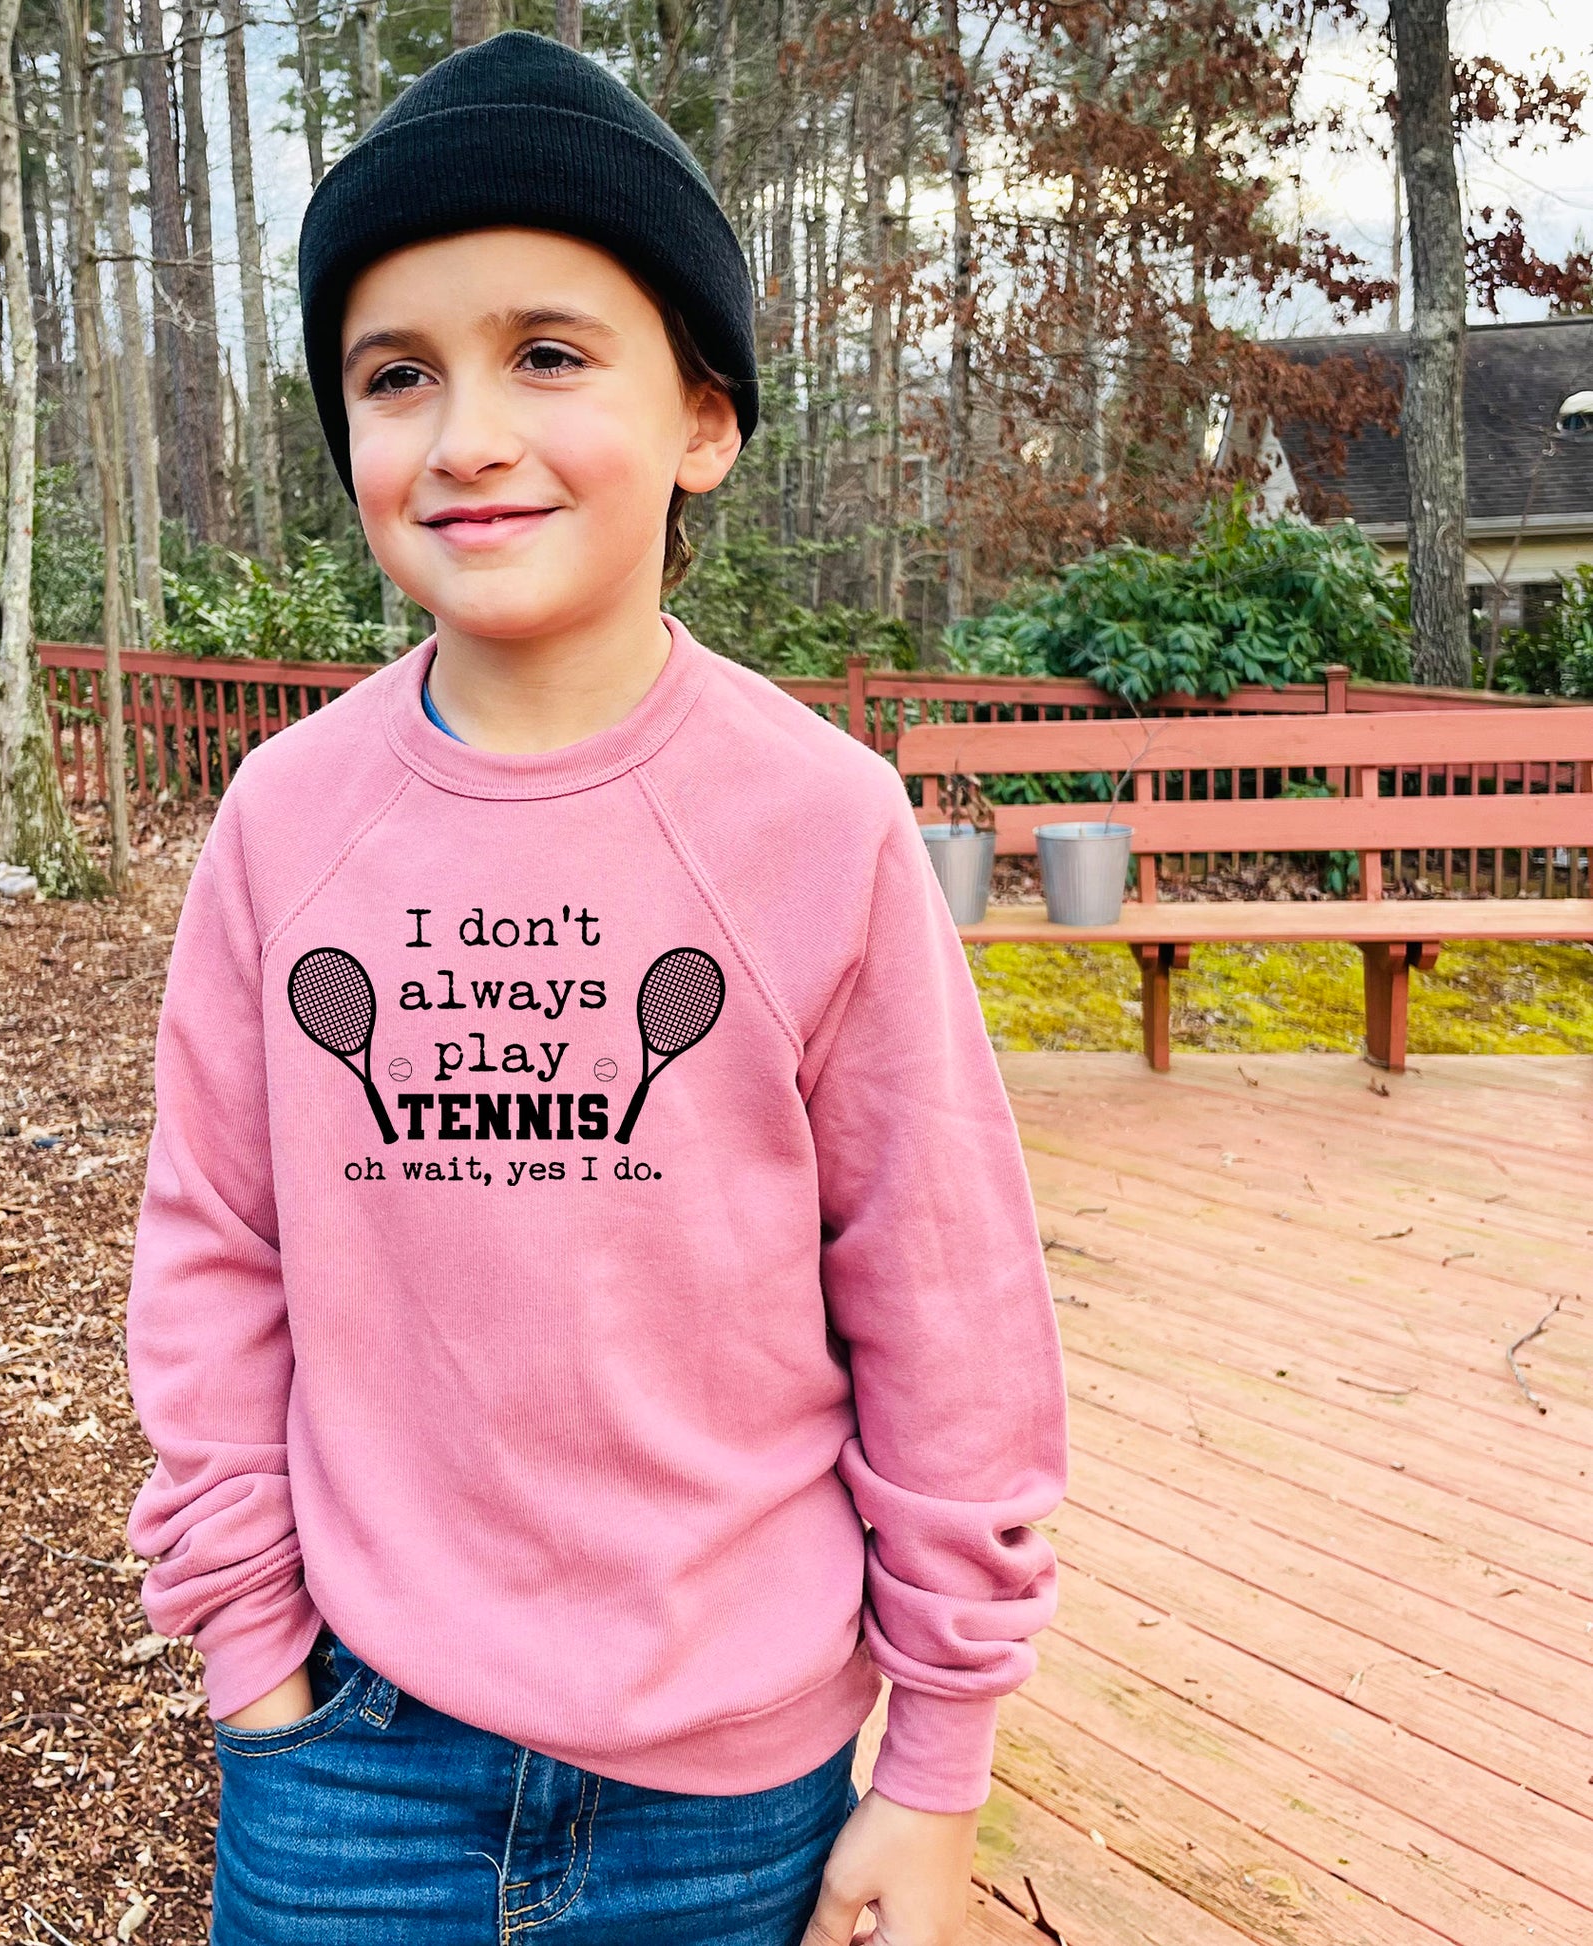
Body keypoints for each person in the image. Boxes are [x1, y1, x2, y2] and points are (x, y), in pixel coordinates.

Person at [123, 30, 1068, 1946]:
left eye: (548, 353)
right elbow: (213, 1248)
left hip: (736, 1783)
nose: (467, 430)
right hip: (352, 1760)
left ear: (705, 420)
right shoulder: (285, 817)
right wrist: (252, 1655)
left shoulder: (817, 822)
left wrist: (937, 1763)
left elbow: (942, 1293)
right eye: (397, 375)